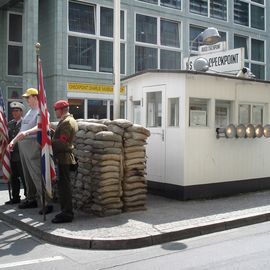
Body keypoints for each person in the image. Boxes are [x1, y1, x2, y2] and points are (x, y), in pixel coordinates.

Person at [9, 88, 53, 214]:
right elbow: (22, 129)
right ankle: (31, 198)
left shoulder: (41, 110)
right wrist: (14, 141)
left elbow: (43, 125)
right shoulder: (29, 112)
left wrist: (27, 132)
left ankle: (46, 202)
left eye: (28, 97)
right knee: (27, 174)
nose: (27, 100)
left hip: (33, 144)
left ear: (35, 97)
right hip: (23, 145)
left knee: (36, 173)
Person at [51, 100, 78, 223]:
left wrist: (48, 143)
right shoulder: (66, 121)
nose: (55, 112)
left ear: (61, 110)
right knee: (63, 186)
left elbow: (62, 143)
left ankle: (67, 213)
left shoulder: (67, 122)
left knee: (64, 187)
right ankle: (65, 211)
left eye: (56, 110)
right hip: (62, 157)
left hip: (64, 158)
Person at [5, 102, 27, 205]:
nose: (14, 112)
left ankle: (28, 197)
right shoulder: (10, 124)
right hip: (11, 156)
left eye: (16, 110)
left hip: (21, 154)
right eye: (13, 111)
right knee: (13, 177)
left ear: (21, 112)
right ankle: (15, 197)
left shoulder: (25, 123)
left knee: (24, 177)